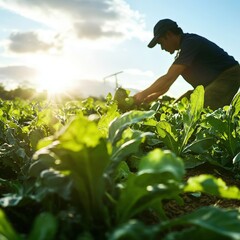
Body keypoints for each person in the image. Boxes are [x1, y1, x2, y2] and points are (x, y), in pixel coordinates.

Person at [133, 19, 240, 109]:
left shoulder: (190, 42)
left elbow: (168, 78)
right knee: (178, 107)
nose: (162, 48)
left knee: (202, 109)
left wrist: (142, 94)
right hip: (208, 84)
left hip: (228, 75)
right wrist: (154, 95)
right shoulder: (182, 51)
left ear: (169, 34)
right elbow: (168, 84)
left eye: (161, 43)